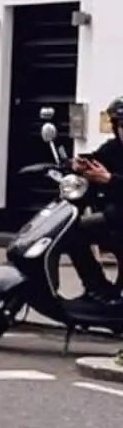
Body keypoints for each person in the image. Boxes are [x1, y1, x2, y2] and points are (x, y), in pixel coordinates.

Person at [67, 97, 123, 297]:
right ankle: (96, 288)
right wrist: (77, 164)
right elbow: (95, 159)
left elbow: (109, 178)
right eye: (122, 125)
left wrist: (109, 179)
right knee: (72, 233)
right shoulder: (113, 148)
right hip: (115, 220)